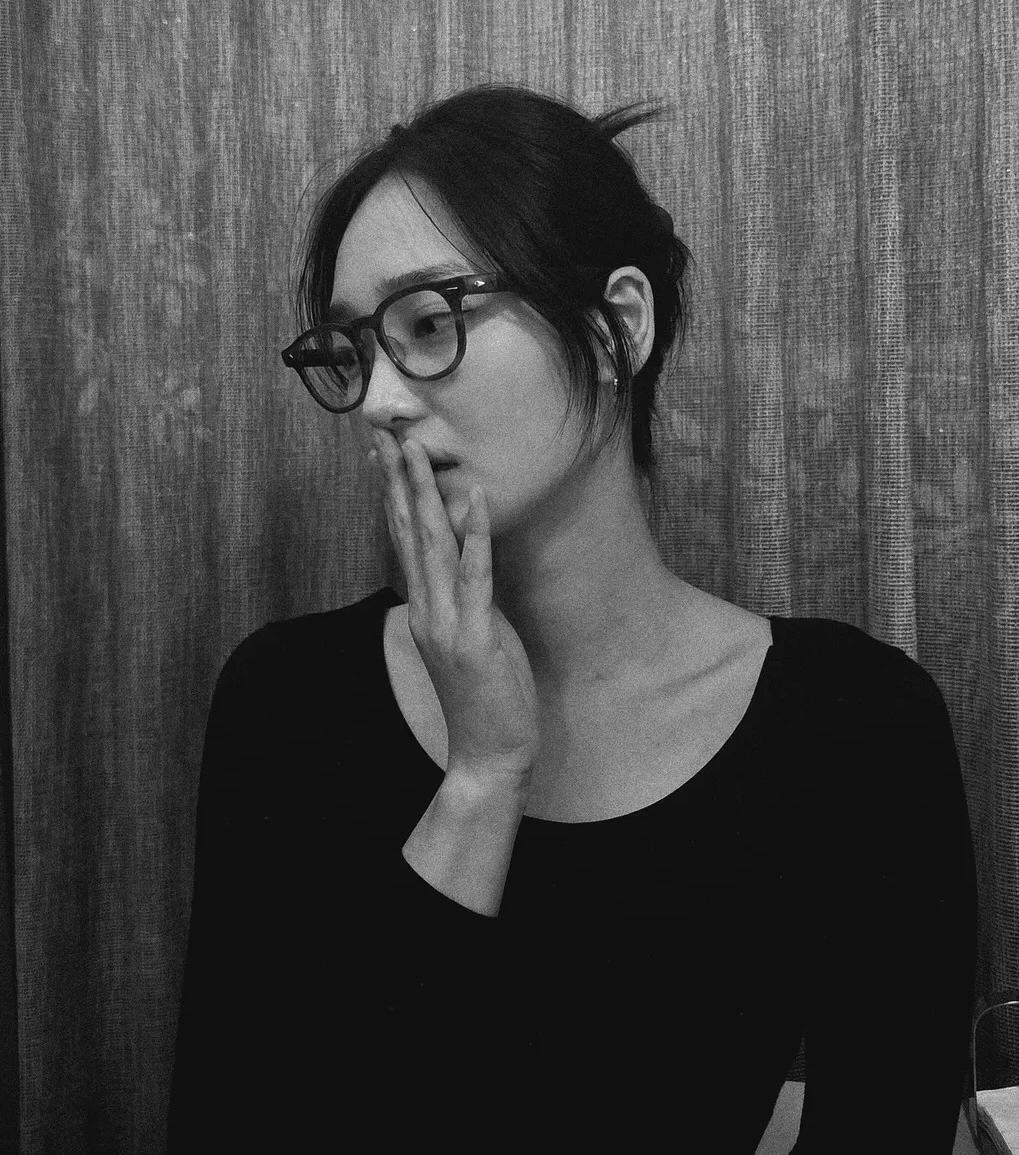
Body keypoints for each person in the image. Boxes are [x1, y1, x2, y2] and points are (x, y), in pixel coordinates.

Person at [167, 85, 978, 1153]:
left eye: (429, 322)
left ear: (613, 328)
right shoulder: (288, 700)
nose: (376, 401)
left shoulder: (854, 726)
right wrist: (481, 777)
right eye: (353, 352)